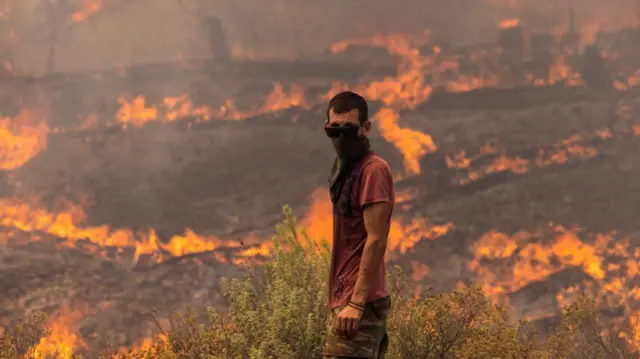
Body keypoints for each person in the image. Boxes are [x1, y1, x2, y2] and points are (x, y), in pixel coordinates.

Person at [322, 91, 395, 359]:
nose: (341, 137)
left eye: (349, 129)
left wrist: (356, 302)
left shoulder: (373, 170)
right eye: (334, 130)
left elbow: (376, 238)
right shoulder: (344, 169)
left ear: (366, 128)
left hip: (359, 304)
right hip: (347, 299)